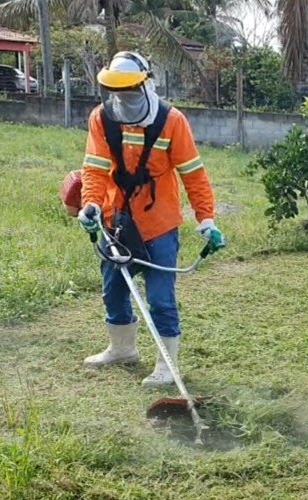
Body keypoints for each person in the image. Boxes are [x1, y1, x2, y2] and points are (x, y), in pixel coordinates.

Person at [77, 51, 225, 387]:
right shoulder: (101, 119)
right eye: (117, 91)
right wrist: (92, 206)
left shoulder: (172, 121)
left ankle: (166, 365)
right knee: (113, 290)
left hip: (159, 223)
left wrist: (207, 220)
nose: (123, 98)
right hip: (115, 221)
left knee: (160, 297)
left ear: (146, 84)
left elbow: (194, 175)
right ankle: (122, 349)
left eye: (130, 90)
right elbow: (95, 169)